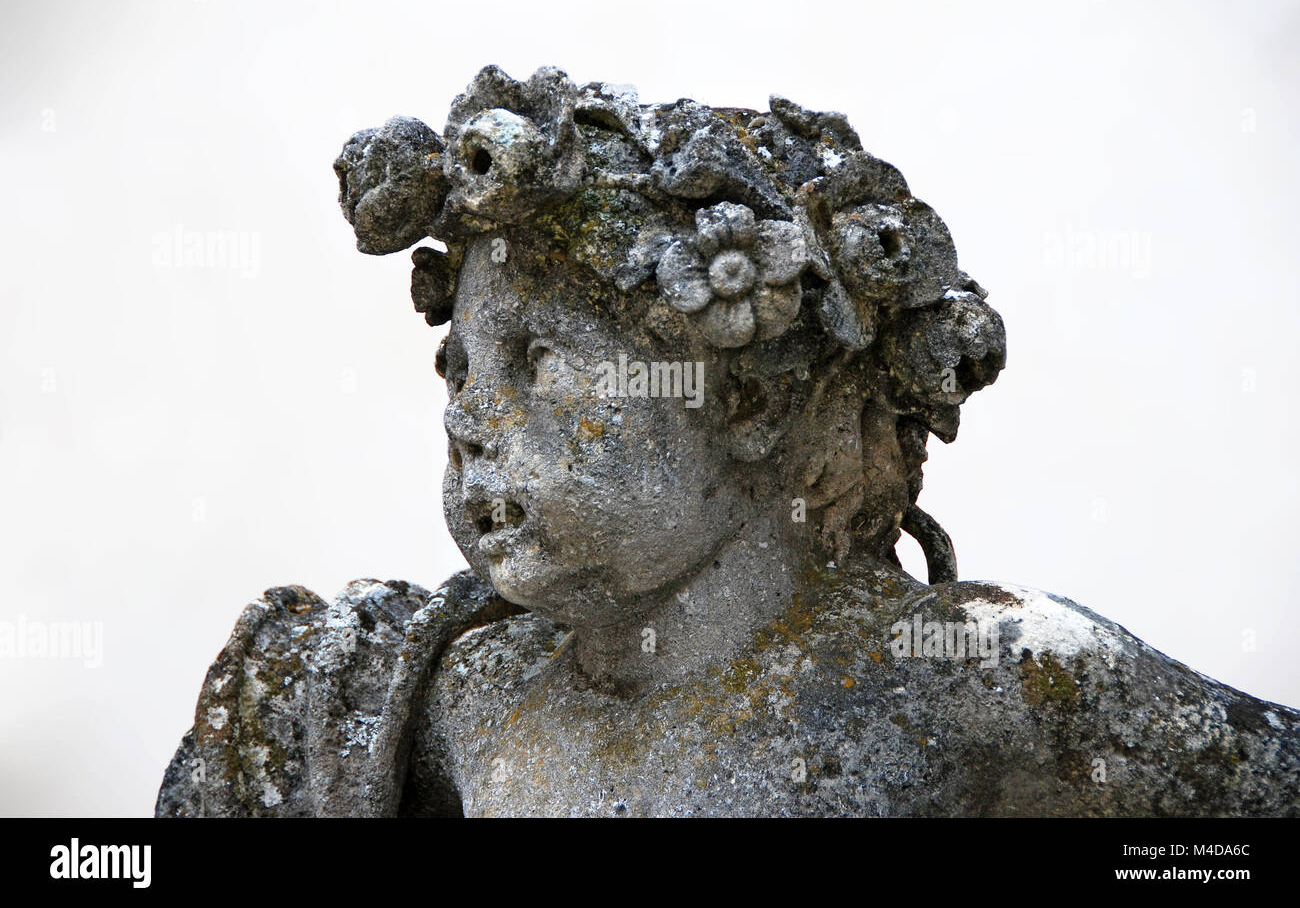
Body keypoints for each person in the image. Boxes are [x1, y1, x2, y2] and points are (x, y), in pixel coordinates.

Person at [157, 67, 1298, 817]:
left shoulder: (978, 678)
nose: (468, 421)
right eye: (458, 371)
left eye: (540, 366)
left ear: (748, 405)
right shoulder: (454, 705)